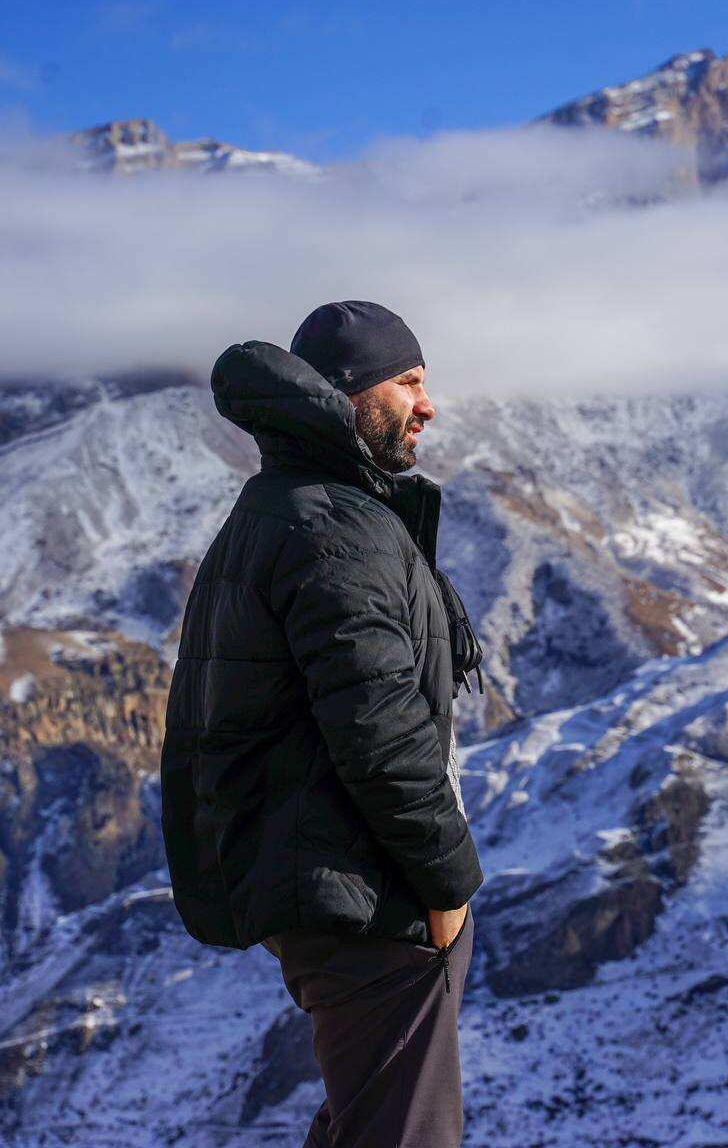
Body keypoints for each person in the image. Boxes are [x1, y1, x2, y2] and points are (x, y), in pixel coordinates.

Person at [160, 300, 486, 1147]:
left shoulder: (295, 509)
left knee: (366, 1123)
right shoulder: (333, 528)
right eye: (408, 381)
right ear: (349, 394)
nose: (428, 404)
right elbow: (379, 731)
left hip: (342, 888)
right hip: (370, 895)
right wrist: (446, 886)